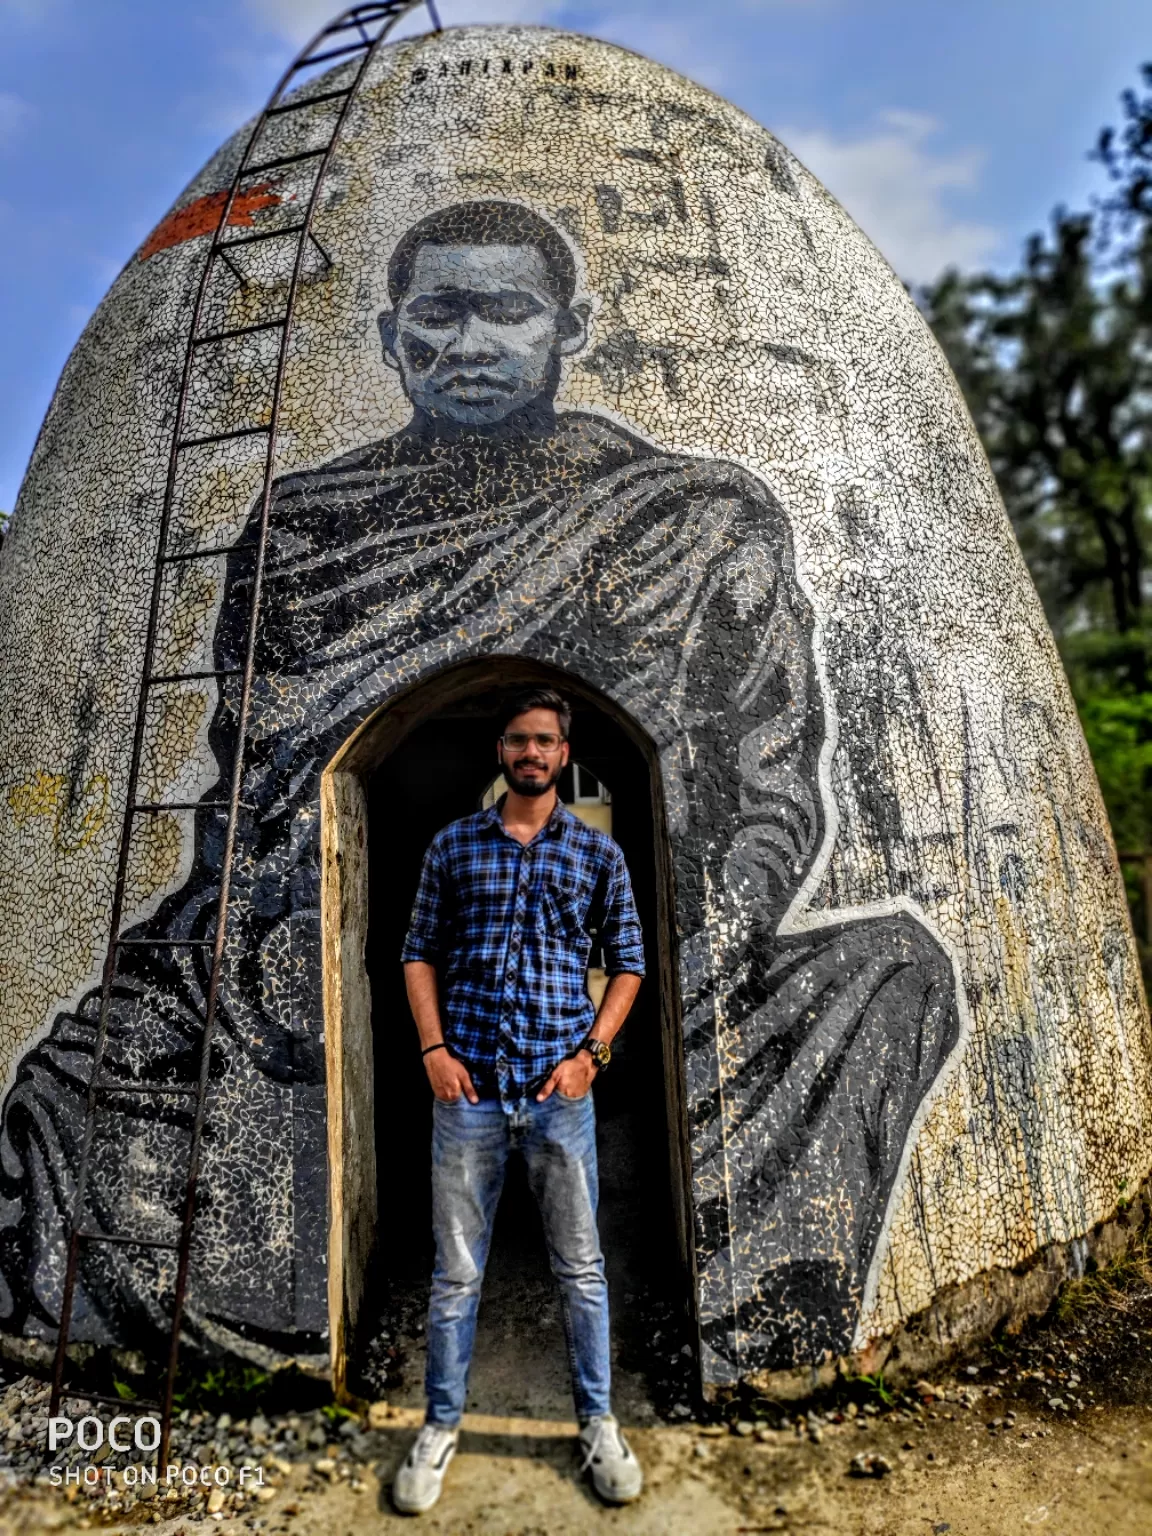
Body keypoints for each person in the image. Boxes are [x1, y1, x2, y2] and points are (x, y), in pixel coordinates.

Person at [0, 200, 958, 1392]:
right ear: (393, 332)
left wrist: (702, 935)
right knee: (74, 1077)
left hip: (618, 1005)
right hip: (362, 996)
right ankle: (280, 1345)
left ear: (570, 324)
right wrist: (259, 942)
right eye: (438, 313)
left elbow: (773, 795)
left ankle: (747, 1329)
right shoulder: (306, 533)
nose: (469, 343)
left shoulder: (697, 523)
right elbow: (253, 806)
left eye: (505, 308)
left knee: (894, 974)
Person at [391, 687, 645, 1513]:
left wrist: (592, 1057)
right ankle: (438, 1428)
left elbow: (631, 961)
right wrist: (431, 1050)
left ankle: (599, 1423)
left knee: (581, 1269)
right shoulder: (454, 847)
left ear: (563, 755)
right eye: (518, 741)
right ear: (499, 751)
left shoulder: (596, 856)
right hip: (466, 1094)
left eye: (545, 742)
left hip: (558, 1095)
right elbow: (418, 951)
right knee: (456, 1275)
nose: (531, 753)